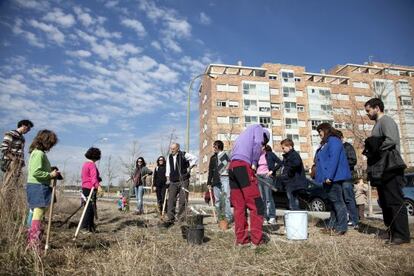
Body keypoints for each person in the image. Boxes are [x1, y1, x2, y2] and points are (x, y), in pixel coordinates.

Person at [364, 98, 410, 245]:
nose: (367, 113)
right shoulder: (377, 124)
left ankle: (401, 235)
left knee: (394, 201)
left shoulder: (386, 121)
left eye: (368, 110)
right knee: (385, 202)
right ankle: (391, 231)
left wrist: (374, 148)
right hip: (381, 168)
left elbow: (391, 140)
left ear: (377, 108)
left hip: (391, 167)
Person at [228, 124, 270, 246]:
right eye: (264, 142)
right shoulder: (258, 128)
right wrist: (255, 162)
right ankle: (257, 241)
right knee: (256, 205)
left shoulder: (242, 136)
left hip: (233, 168)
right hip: (243, 166)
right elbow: (257, 143)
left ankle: (242, 240)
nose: (262, 146)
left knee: (239, 206)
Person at [315, 123, 351, 236]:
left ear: (325, 130)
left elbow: (333, 159)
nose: (319, 134)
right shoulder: (326, 143)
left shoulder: (334, 141)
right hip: (327, 178)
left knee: (338, 202)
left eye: (320, 131)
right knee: (332, 203)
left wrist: (329, 176)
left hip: (333, 178)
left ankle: (341, 227)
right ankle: (332, 226)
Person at [26, 129, 59, 249]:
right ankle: (34, 242)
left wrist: (50, 169)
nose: (51, 146)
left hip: (36, 186)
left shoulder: (37, 153)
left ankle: (30, 240)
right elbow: (36, 172)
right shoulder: (39, 153)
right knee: (38, 213)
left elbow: (40, 169)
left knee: (34, 212)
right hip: (38, 186)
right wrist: (51, 175)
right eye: (50, 143)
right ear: (45, 141)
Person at [162, 143, 197, 227]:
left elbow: (195, 158)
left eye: (173, 148)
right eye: (171, 148)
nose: (172, 150)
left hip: (183, 180)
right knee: (171, 199)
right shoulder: (169, 157)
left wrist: (190, 167)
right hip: (173, 181)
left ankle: (181, 219)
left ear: (178, 148)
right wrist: (167, 179)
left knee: (182, 200)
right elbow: (168, 169)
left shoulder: (184, 154)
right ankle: (170, 217)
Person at [1, 119, 34, 193]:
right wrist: (13, 159)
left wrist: (20, 163)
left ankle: (9, 203)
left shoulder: (22, 138)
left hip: (18, 164)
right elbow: (3, 148)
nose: (28, 131)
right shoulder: (11, 133)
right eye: (28, 128)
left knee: (13, 186)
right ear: (23, 125)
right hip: (11, 163)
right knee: (7, 185)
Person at [207, 140, 232, 223]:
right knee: (217, 200)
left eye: (214, 146)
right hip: (216, 180)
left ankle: (228, 217)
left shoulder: (226, 155)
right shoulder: (213, 158)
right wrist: (209, 182)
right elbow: (210, 170)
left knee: (226, 198)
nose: (213, 148)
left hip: (225, 178)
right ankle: (219, 218)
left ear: (218, 146)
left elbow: (228, 166)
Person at [338, 131, 359, 229]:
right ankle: (345, 219)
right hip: (338, 177)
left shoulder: (347, 147)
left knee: (348, 198)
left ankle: (354, 220)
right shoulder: (335, 148)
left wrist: (340, 164)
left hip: (346, 176)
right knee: (341, 198)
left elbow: (353, 160)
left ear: (341, 138)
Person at [280, 139, 307, 211]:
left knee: (293, 202)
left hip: (293, 182)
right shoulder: (288, 156)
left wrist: (289, 173)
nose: (283, 150)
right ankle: (295, 214)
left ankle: (296, 215)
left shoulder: (294, 155)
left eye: (283, 148)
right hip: (289, 182)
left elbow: (296, 164)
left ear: (290, 147)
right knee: (292, 201)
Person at [256, 145, 280, 224]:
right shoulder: (257, 155)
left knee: (268, 197)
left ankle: (272, 216)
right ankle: (264, 217)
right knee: (261, 198)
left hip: (267, 177)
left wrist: (272, 171)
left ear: (264, 146)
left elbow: (280, 162)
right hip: (259, 177)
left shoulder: (270, 154)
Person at [81, 147, 101, 232]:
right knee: (90, 209)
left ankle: (91, 227)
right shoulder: (92, 165)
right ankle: (85, 227)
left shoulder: (85, 164)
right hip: (90, 188)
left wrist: (98, 178)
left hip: (85, 188)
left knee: (90, 207)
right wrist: (98, 187)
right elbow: (93, 179)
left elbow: (86, 177)